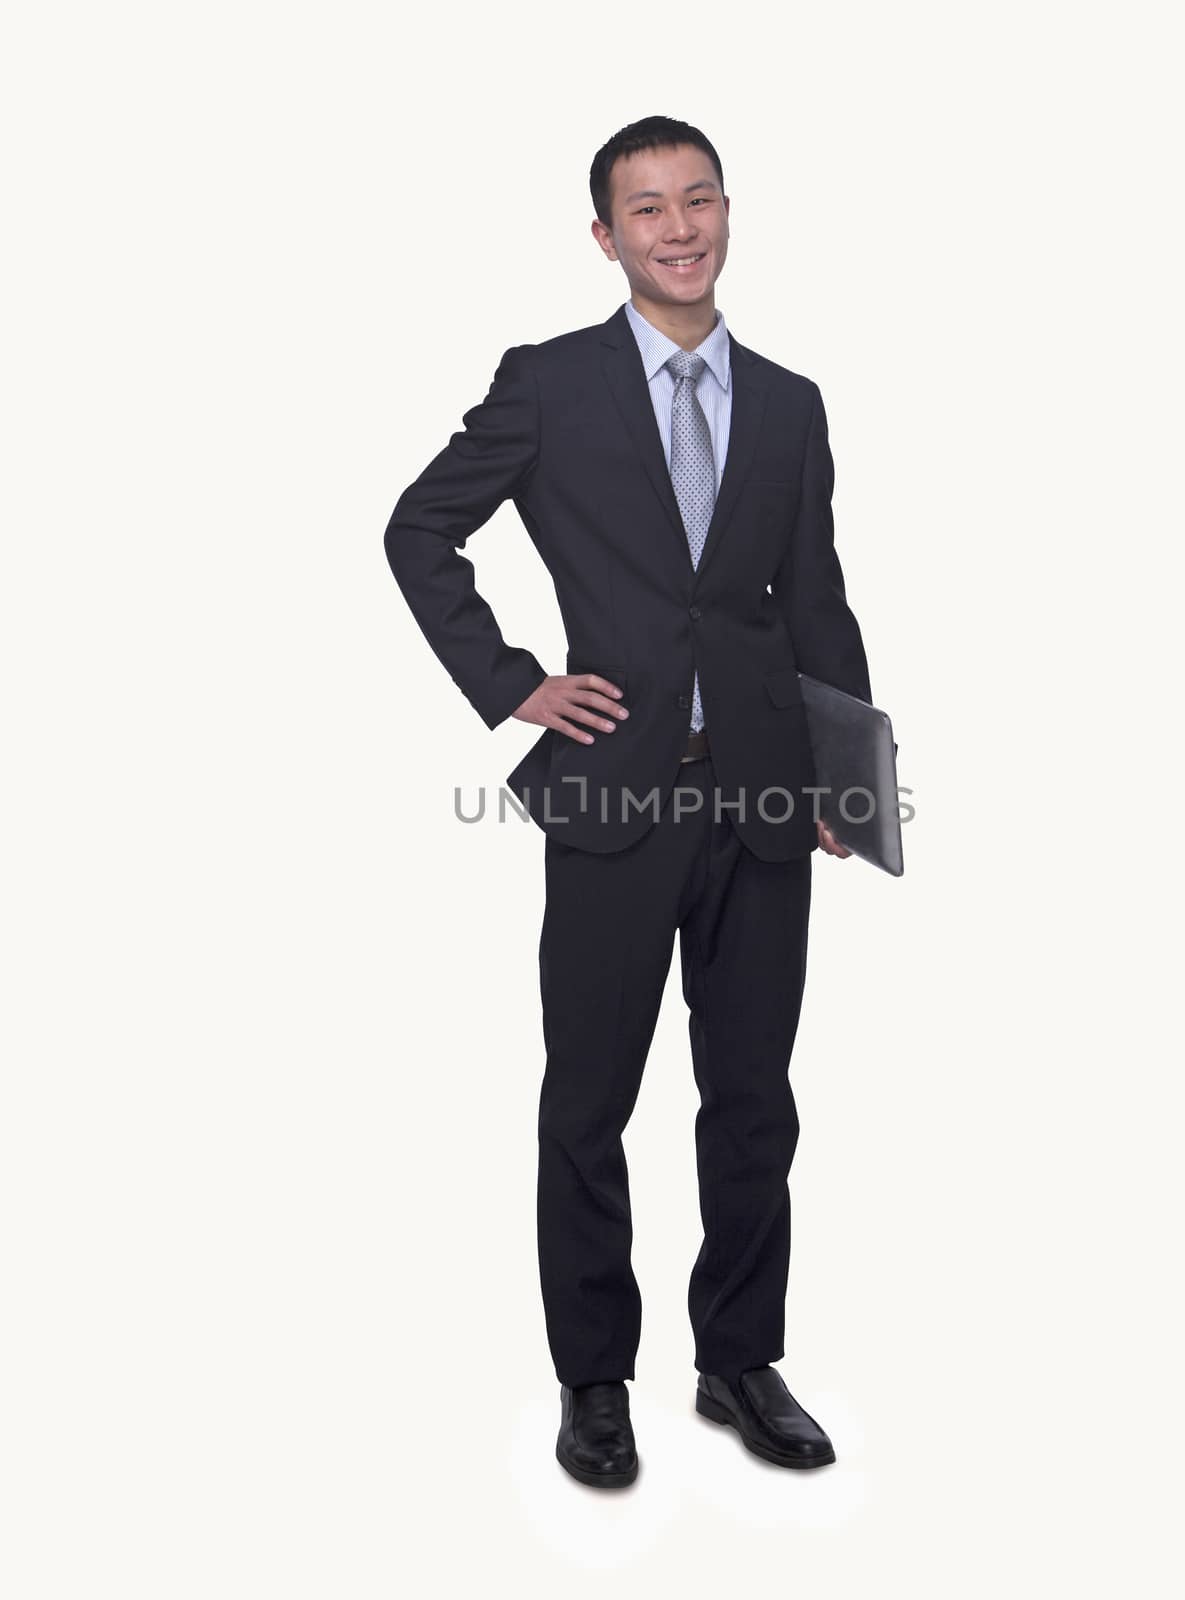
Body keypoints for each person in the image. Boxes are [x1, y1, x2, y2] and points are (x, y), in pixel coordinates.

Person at [383, 115, 877, 1488]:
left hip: (767, 802)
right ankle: (593, 1381)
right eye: (645, 209)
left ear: (727, 212)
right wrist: (514, 683)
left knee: (753, 1099)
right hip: (612, 799)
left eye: (697, 199)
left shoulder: (787, 401)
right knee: (587, 1100)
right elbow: (418, 529)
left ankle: (737, 1362)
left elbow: (815, 599)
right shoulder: (548, 385)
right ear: (605, 237)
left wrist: (848, 779)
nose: (677, 227)